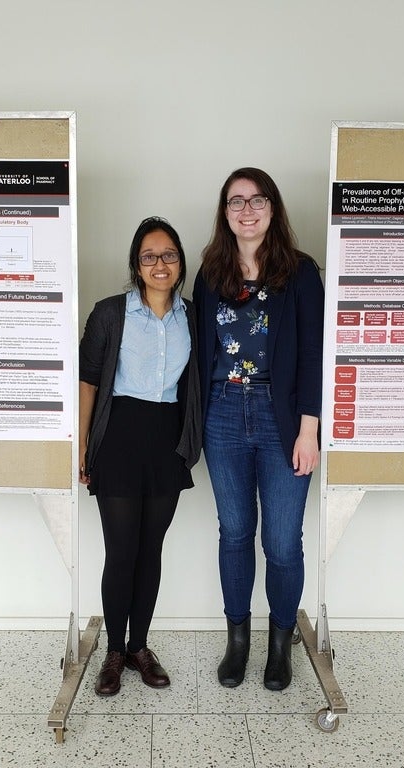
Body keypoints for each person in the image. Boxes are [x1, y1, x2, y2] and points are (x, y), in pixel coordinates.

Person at [193, 168, 323, 691]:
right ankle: (238, 641)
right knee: (235, 532)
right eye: (236, 201)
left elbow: (313, 354)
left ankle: (280, 644)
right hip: (223, 413)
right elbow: (200, 352)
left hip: (282, 418)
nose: (247, 210)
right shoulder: (210, 272)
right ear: (225, 212)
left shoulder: (301, 272)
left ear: (273, 208)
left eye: (257, 200)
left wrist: (309, 430)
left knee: (283, 542)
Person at [78, 216, 201, 697]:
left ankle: (139, 647)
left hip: (167, 440)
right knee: (122, 551)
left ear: (180, 262)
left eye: (168, 255)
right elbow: (89, 382)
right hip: (118, 437)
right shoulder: (110, 313)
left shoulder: (192, 316)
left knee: (151, 550)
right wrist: (83, 445)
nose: (159, 264)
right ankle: (113, 652)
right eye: (149, 256)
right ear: (136, 264)